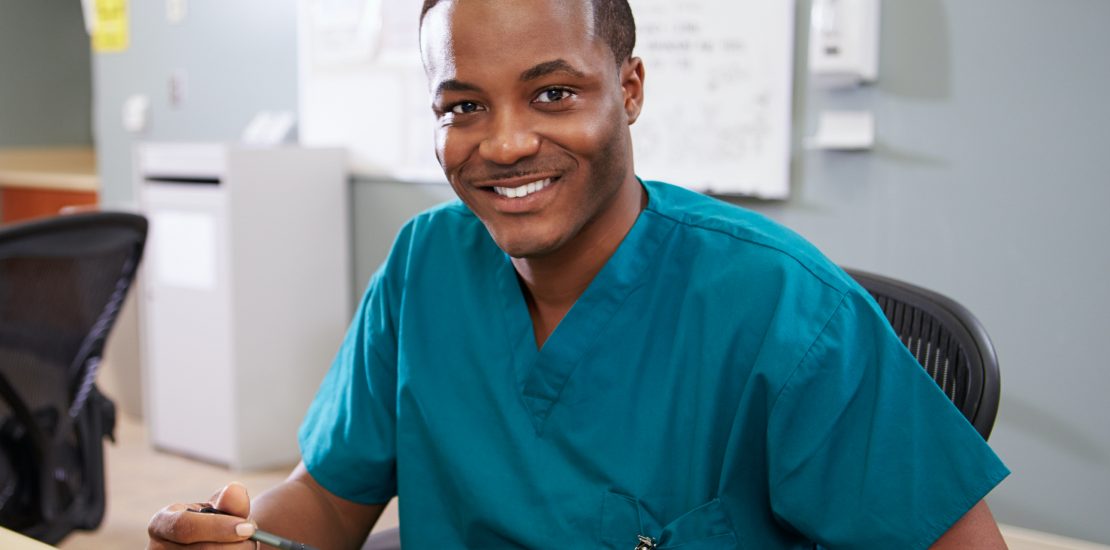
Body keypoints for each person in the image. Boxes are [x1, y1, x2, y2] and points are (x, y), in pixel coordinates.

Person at [147, 0, 1009, 548]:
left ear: (627, 89)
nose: (506, 143)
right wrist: (234, 532)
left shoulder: (786, 310)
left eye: (553, 93)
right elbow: (331, 503)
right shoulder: (423, 270)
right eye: (463, 106)